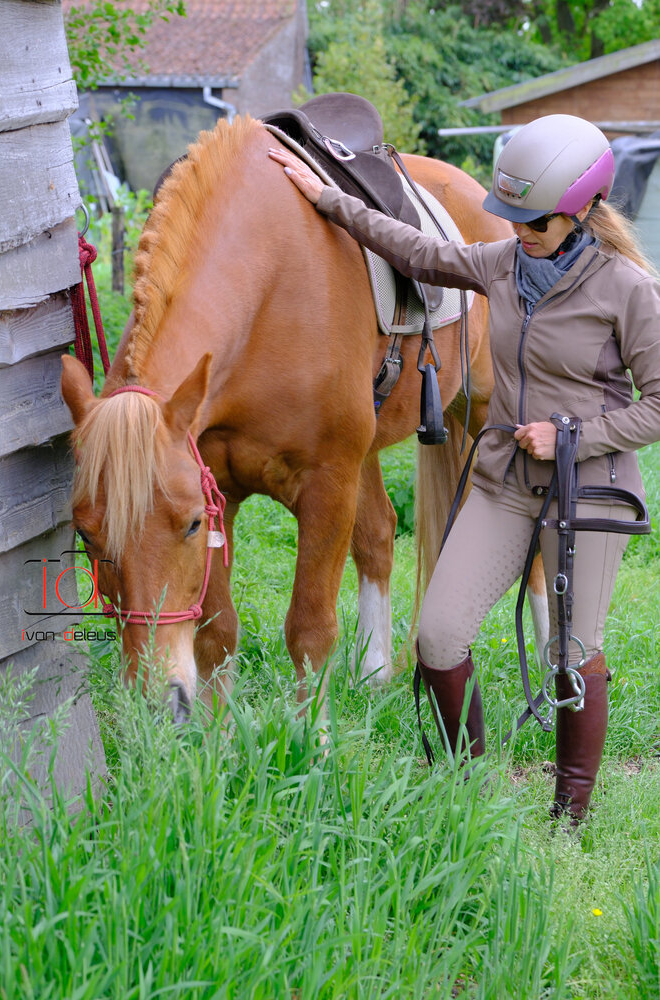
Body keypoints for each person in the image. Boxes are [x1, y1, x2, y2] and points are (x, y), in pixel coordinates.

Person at [268, 114, 660, 824]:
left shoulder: (627, 289)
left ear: (582, 210)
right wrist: (329, 200)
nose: (520, 231)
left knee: (573, 655)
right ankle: (468, 791)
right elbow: (415, 252)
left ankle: (568, 817)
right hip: (504, 484)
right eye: (512, 217)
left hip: (587, 491)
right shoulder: (501, 263)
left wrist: (573, 433)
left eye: (534, 220)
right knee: (438, 636)